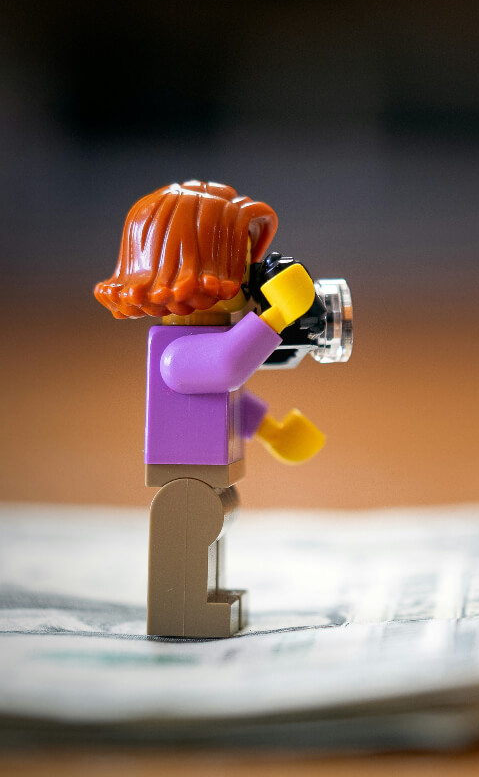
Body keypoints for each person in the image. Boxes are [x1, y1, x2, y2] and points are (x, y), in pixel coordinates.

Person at [95, 180, 324, 637]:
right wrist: (277, 314)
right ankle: (184, 609)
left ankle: (208, 597)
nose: (250, 280)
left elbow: (230, 400)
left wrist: (274, 432)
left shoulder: (202, 347)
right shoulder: (177, 352)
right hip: (183, 473)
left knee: (215, 525)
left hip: (208, 471)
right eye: (241, 266)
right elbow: (226, 368)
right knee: (194, 528)